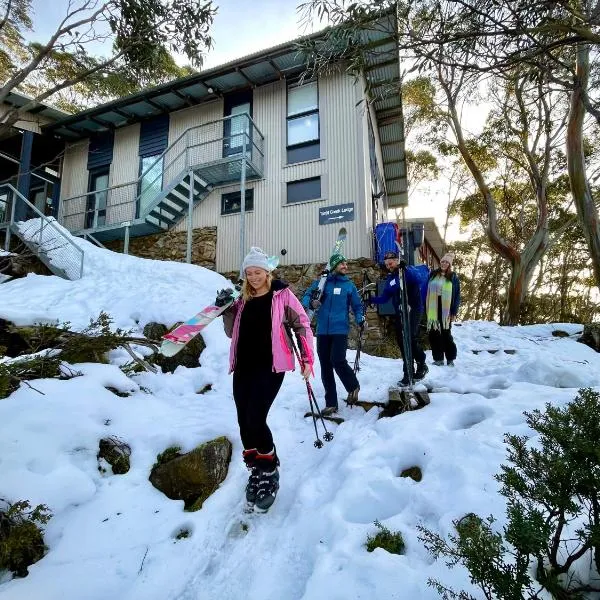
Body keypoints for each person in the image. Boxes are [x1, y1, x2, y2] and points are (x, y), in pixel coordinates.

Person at [220, 247, 314, 512]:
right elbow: (231, 334)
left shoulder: (282, 295)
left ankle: (270, 470)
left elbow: (302, 325)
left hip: (271, 367)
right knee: (243, 423)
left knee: (256, 419)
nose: (253, 277)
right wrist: (226, 310)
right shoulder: (242, 301)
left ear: (267, 272)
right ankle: (256, 470)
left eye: (258, 272)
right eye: (249, 273)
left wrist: (307, 359)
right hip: (243, 368)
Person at [301, 253, 365, 414]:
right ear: (334, 266)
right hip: (322, 330)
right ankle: (331, 403)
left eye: (346, 263)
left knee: (337, 360)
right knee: (325, 366)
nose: (345, 266)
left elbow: (357, 306)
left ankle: (353, 386)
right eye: (342, 263)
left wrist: (360, 319)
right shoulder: (322, 283)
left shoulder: (348, 286)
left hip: (339, 330)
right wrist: (311, 302)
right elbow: (307, 295)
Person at [370, 250, 428, 386]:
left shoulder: (408, 271)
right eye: (387, 264)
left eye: (390, 263)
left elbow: (419, 278)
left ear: (397, 261)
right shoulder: (391, 279)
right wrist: (371, 299)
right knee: (402, 341)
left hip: (413, 310)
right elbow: (385, 298)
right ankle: (408, 372)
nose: (389, 266)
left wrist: (405, 268)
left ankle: (421, 363)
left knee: (410, 337)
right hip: (400, 313)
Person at [426, 253, 460, 367]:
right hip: (433, 307)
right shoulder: (433, 274)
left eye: (447, 262)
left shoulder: (453, 277)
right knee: (433, 333)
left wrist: (454, 311)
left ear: (450, 264)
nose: (444, 264)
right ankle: (438, 359)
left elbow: (457, 296)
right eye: (443, 261)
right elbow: (426, 290)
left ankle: (450, 358)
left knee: (446, 333)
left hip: (446, 308)